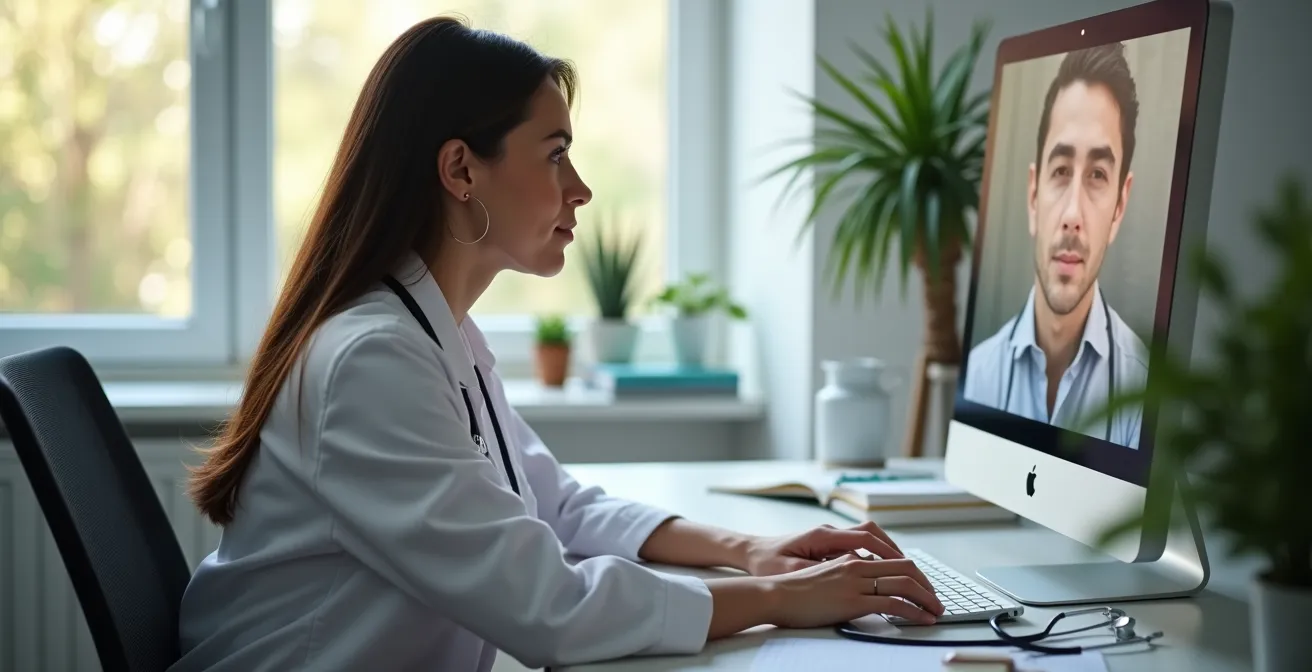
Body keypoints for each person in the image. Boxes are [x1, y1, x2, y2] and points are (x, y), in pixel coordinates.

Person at [169, 16, 944, 672]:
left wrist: (753, 550)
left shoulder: (438, 331)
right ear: (460, 169)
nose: (580, 187)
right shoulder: (374, 360)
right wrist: (780, 601)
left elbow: (555, 505)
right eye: (554, 153)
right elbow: (552, 608)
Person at [964, 42, 1150, 449]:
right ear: (1033, 194)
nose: (1072, 213)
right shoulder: (980, 373)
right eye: (1061, 170)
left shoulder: (1145, 389)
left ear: (1120, 206)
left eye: (1098, 175)